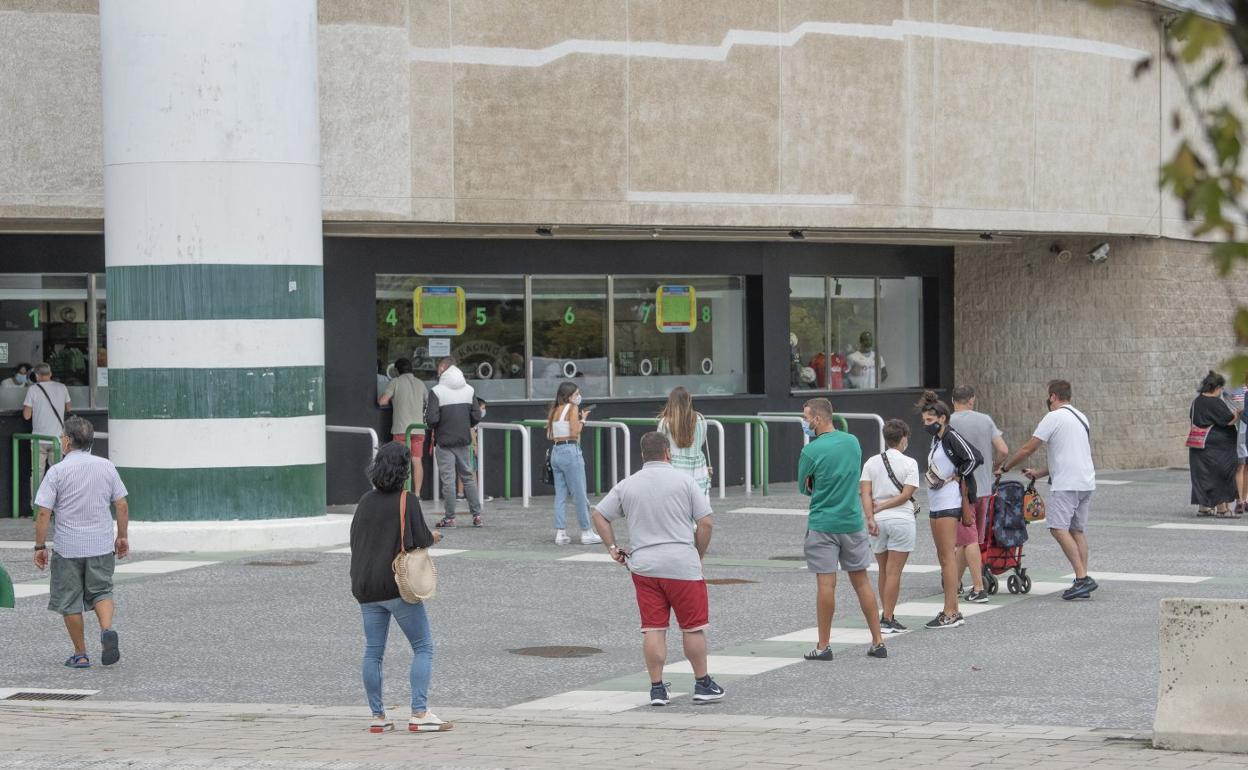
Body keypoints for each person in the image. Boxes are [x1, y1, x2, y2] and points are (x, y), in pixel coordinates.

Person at [591, 432, 724, 706]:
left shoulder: (628, 485)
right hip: (682, 564)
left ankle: (657, 689)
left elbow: (599, 514)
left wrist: (612, 547)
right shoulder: (684, 481)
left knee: (653, 628)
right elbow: (707, 523)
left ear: (642, 455)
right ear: (668, 452)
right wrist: (697, 554)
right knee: (693, 628)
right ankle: (702, 684)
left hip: (645, 567)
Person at [349, 442, 452, 733]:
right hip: (396, 585)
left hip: (366, 586)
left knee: (373, 651)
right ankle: (419, 713)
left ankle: (378, 717)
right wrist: (433, 536)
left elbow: (357, 539)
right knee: (423, 647)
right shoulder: (407, 499)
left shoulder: (365, 501)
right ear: (404, 469)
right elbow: (417, 539)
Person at [31, 416, 129, 669]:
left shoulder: (57, 471)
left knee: (69, 600)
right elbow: (121, 504)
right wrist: (122, 536)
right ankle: (107, 629)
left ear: (66, 441)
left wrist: (40, 547)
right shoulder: (106, 466)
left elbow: (43, 512)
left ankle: (81, 654)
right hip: (100, 544)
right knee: (102, 591)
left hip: (69, 546)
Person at [798, 397, 887, 660]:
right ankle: (878, 640)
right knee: (861, 581)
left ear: (818, 418)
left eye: (806, 418)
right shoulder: (853, 442)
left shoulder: (810, 452)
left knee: (826, 584)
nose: (804, 423)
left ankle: (824, 646)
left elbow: (804, 487)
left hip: (823, 522)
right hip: (852, 521)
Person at [1000, 380, 1099, 600]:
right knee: (1076, 531)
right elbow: (1070, 455)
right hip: (1085, 482)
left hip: (1066, 484)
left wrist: (1005, 467)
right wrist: (1039, 473)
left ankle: (1082, 579)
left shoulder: (1053, 417)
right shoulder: (1081, 417)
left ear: (1053, 396)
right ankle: (1081, 578)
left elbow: (1029, 447)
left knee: (1057, 528)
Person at [917, 390, 982, 629]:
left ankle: (951, 611)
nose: (927, 425)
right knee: (944, 557)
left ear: (942, 418)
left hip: (949, 502)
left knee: (947, 558)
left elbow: (975, 458)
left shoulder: (951, 436)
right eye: (924, 421)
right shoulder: (937, 439)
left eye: (930, 421)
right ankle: (951, 609)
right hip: (937, 501)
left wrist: (959, 475)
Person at [949, 386, 1010, 604]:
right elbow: (1003, 449)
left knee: (968, 539)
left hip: (961, 489)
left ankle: (978, 587)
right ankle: (953, 584)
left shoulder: (949, 422)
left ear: (953, 400)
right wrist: (995, 466)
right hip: (985, 487)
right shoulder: (986, 420)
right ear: (972, 400)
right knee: (966, 539)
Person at [858, 418, 919, 633]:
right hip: (901, 520)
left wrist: (870, 517)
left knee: (883, 570)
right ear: (903, 439)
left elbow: (864, 492)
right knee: (894, 572)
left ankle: (886, 614)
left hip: (878, 522)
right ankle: (888, 617)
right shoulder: (910, 463)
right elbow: (906, 495)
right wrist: (885, 505)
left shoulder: (871, 462)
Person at [425, 357, 483, 528]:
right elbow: (477, 416)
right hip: (464, 440)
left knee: (449, 480)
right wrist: (466, 425)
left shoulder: (436, 391)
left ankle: (450, 518)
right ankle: (477, 515)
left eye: (438, 368)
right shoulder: (469, 390)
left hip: (444, 442)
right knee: (468, 477)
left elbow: (432, 419)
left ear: (443, 368)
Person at [546, 383, 601, 545]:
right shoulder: (572, 408)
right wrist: (583, 420)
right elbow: (575, 431)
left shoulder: (555, 410)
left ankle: (560, 533)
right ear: (569, 396)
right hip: (571, 451)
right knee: (579, 493)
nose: (579, 396)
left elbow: (549, 434)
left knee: (560, 495)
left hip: (556, 452)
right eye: (576, 393)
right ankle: (586, 532)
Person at [1184, 371, 1243, 518]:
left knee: (1203, 476)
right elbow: (1227, 420)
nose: (1221, 391)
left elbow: (1193, 417)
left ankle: (1204, 507)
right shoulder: (1215, 402)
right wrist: (1237, 416)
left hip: (1199, 446)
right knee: (1221, 474)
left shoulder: (1197, 401)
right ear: (1216, 387)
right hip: (1218, 447)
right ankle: (1222, 509)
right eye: (1221, 388)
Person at [23, 362, 71, 507]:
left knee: (37, 473)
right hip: (57, 439)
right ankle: (58, 506)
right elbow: (69, 408)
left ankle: (37, 507)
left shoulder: (33, 390)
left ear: (36, 376)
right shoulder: (62, 387)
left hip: (39, 439)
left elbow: (26, 415)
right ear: (50, 374)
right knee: (58, 474)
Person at [378, 358, 428, 498]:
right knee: (417, 461)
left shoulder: (395, 382)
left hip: (401, 429)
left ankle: (402, 493)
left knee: (400, 461)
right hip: (418, 429)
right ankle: (417, 494)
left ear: (397, 371)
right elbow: (428, 402)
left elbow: (382, 401)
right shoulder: (420, 383)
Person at [657, 386, 712, 502]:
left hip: (674, 467)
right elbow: (701, 441)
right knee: (698, 503)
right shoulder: (701, 419)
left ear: (671, 402)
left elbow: (659, 446)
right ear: (689, 401)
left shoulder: (665, 423)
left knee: (676, 503)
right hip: (698, 467)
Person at [1231, 375, 1247, 515]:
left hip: (1243, 432)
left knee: (1246, 466)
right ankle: (1240, 501)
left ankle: (1244, 499)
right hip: (1240, 433)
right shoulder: (1235, 389)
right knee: (1241, 465)